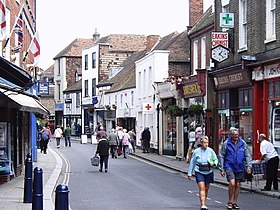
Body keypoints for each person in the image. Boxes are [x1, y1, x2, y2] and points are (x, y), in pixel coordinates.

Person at [219, 128, 252, 209]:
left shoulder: (243, 143)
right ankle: (230, 201)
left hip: (240, 166)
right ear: (231, 135)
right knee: (232, 183)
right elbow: (221, 155)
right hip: (229, 166)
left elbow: (247, 155)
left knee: (237, 184)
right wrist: (222, 168)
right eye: (235, 135)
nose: (237, 136)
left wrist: (249, 166)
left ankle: (235, 202)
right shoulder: (226, 143)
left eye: (237, 135)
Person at [188, 136, 218, 210]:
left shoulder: (211, 151)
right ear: (201, 143)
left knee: (206, 188)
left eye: (207, 143)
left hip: (209, 171)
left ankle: (204, 201)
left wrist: (214, 163)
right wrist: (190, 173)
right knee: (202, 187)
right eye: (204, 143)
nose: (206, 144)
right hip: (199, 171)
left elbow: (216, 160)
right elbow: (192, 162)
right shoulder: (196, 151)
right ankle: (203, 204)